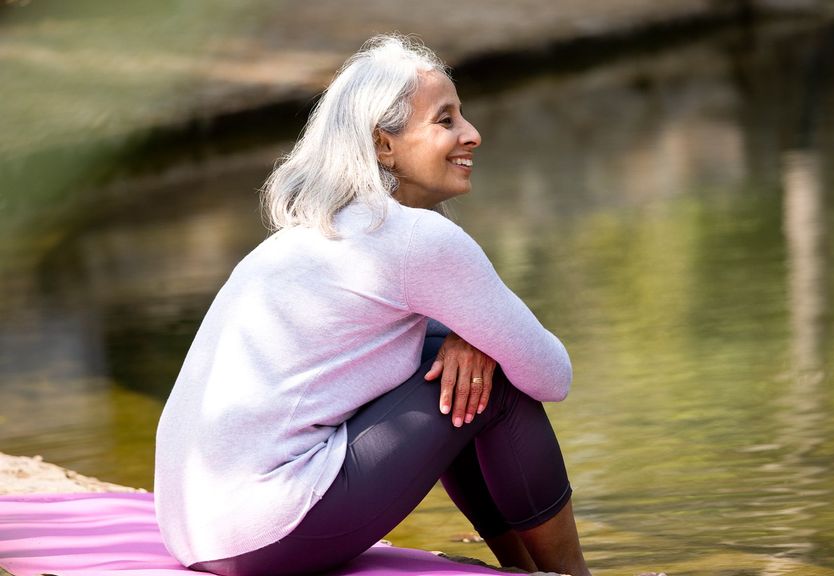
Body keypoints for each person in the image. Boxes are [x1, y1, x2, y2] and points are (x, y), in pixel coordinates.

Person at [154, 34, 591, 576]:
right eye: (446, 119)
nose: (472, 134)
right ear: (384, 145)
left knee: (447, 353)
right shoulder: (417, 238)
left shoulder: (310, 233)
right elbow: (552, 376)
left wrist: (466, 336)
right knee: (494, 378)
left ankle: (522, 570)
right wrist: (481, 343)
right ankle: (571, 574)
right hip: (264, 533)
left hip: (193, 530)